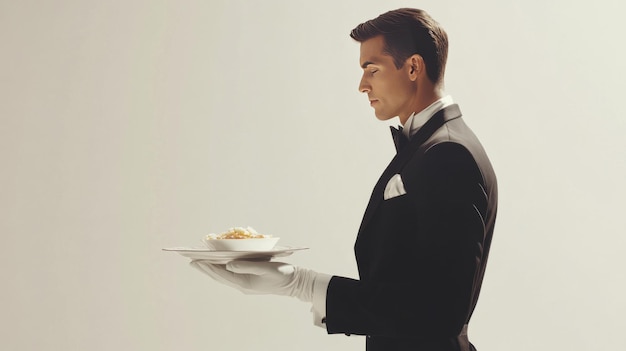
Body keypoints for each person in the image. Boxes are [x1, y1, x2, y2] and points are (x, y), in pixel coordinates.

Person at [191, 8, 498, 351]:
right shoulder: (431, 145)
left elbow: (442, 311)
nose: (362, 85)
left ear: (413, 67)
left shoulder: (449, 154)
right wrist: (296, 283)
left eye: (372, 69)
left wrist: (301, 284)